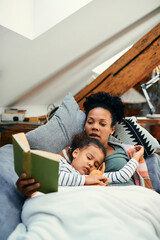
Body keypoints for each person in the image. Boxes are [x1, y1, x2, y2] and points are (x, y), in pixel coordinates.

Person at [16, 92, 151, 197]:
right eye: (90, 122)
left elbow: (147, 187)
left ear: (112, 129)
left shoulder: (129, 152)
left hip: (130, 200)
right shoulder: (71, 152)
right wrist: (29, 187)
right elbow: (49, 177)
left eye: (102, 124)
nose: (95, 127)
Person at [59, 132, 144, 186]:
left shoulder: (94, 176)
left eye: (96, 165)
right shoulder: (61, 162)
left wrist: (136, 157)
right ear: (76, 153)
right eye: (89, 157)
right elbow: (55, 178)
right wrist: (86, 180)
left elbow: (122, 176)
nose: (91, 164)